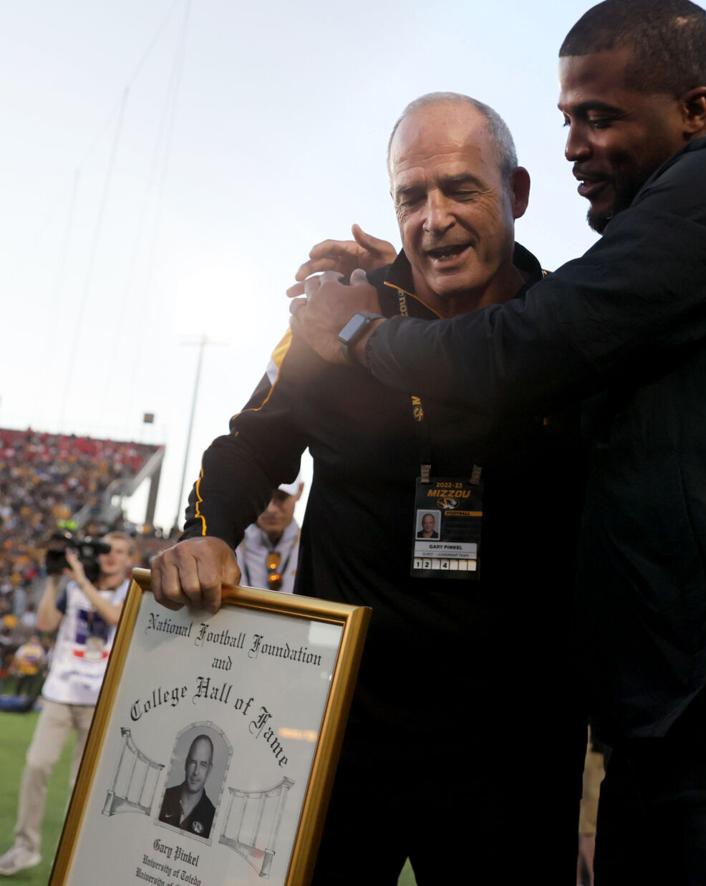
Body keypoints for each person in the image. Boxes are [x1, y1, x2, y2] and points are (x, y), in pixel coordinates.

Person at [288, 2, 706, 882]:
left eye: (600, 117)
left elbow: (534, 343)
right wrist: (405, 287)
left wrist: (361, 332)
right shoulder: (680, 250)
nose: (574, 144)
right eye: (567, 118)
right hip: (690, 735)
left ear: (695, 110)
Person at [150, 93, 585, 884]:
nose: (434, 219)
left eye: (461, 189)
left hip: (514, 737)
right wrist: (207, 529)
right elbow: (251, 443)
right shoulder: (332, 314)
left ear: (517, 194)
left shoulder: (566, 322)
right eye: (411, 196)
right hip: (340, 726)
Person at [0, 532, 134, 877]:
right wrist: (53, 581)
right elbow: (45, 625)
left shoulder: (130, 591)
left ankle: (80, 854)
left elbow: (115, 618)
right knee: (37, 765)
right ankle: (25, 847)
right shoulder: (73, 588)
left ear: (129, 558)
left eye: (118, 551)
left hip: (100, 699)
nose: (110, 556)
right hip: (61, 692)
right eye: (106, 550)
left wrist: (81, 581)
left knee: (83, 784)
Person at [234, 481, 303, 594]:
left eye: (281, 497)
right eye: (262, 496)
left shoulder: (315, 550)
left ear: (300, 490)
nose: (271, 509)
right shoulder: (229, 546)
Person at [158, 734, 217, 838]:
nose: (196, 772)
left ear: (209, 770)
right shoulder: (163, 797)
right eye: (193, 762)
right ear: (186, 763)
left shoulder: (212, 818)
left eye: (203, 765)